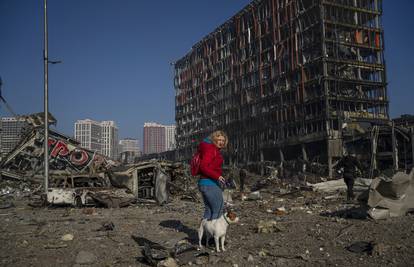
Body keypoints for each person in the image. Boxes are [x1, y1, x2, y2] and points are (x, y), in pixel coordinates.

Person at [198, 130, 228, 220]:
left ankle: (204, 234)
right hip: (210, 184)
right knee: (218, 211)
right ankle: (213, 234)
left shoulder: (211, 150)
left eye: (223, 140)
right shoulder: (211, 150)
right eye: (219, 140)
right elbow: (203, 166)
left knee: (209, 210)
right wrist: (217, 176)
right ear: (214, 139)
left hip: (205, 183)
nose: (221, 142)